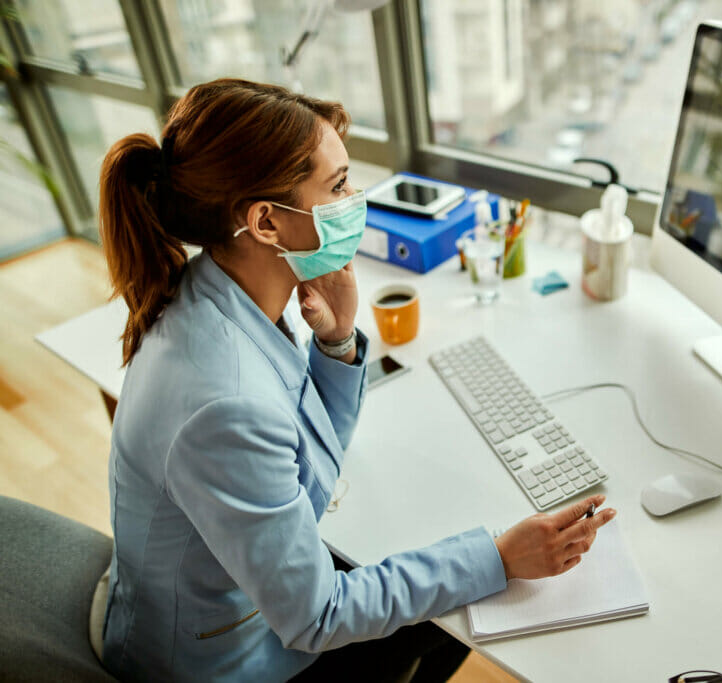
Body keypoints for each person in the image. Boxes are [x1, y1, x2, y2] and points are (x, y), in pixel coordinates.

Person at [96, 78, 616, 683]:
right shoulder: (222, 402)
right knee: (470, 602)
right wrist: (500, 557)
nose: (355, 200)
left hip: (245, 601)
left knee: (451, 572)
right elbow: (317, 617)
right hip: (226, 664)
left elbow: (307, 464)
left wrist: (337, 341)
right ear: (266, 222)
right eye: (338, 186)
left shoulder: (221, 291)